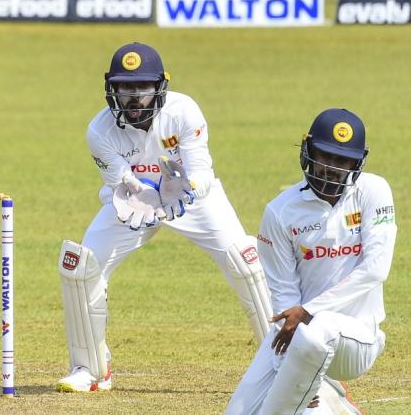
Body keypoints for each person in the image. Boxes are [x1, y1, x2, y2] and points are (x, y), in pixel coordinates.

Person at [56, 42, 274, 392]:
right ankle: (91, 369)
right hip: (133, 205)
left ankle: (282, 366)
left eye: (142, 86)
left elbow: (201, 170)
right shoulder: (98, 131)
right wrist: (137, 190)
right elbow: (121, 179)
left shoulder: (184, 111)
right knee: (82, 266)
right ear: (111, 89)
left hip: (194, 201)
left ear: (160, 86)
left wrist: (185, 186)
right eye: (124, 87)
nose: (134, 97)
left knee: (245, 261)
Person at [225, 109, 394, 415]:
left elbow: (375, 269)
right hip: (303, 336)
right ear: (307, 152)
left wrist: (310, 311)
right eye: (324, 156)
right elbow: (285, 303)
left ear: (356, 163)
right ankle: (333, 400)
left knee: (320, 328)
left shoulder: (372, 191)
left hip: (357, 340)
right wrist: (290, 371)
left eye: (341, 161)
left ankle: (319, 385)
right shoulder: (280, 212)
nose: (330, 168)